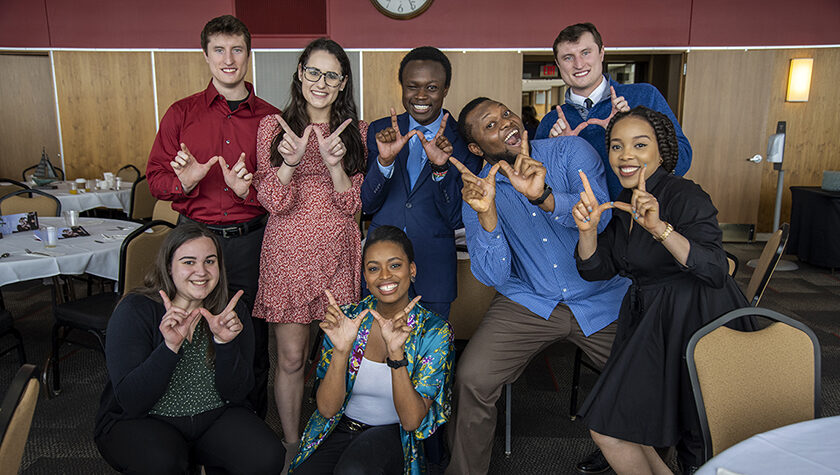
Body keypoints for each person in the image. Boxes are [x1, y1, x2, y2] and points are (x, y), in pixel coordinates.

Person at [444, 97, 628, 475]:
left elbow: (602, 221)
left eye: (505, 113)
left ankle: (648, 459)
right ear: (477, 148)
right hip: (529, 300)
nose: (507, 123)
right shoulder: (478, 192)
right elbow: (492, 277)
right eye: (491, 125)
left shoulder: (570, 151)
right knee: (472, 378)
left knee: (651, 372)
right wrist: (489, 215)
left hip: (601, 296)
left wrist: (542, 197)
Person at [572, 106, 748, 474]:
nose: (626, 155)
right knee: (621, 426)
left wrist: (660, 230)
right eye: (617, 146)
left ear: (661, 152)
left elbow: (716, 270)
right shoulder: (624, 202)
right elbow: (597, 268)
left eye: (639, 144)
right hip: (652, 320)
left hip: (697, 319)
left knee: (693, 434)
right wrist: (587, 231)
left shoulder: (685, 194)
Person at [145, 15, 278, 418]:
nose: (228, 59)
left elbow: (285, 193)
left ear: (248, 55)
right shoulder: (180, 114)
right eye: (219, 49)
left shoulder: (270, 119)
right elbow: (155, 179)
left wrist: (248, 191)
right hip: (192, 239)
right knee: (185, 331)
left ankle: (247, 425)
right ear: (205, 55)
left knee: (249, 339)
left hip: (248, 244)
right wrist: (182, 183)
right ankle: (190, 418)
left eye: (236, 49)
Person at [252, 38, 368, 458]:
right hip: (288, 252)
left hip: (338, 252)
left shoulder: (357, 130)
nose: (321, 82)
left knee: (338, 353)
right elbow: (271, 201)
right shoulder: (273, 126)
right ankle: (290, 442)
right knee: (291, 358)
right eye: (313, 72)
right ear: (300, 72)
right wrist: (291, 163)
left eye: (331, 75)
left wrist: (335, 165)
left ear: (342, 83)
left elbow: (353, 204)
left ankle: (328, 437)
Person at [94, 223, 285, 474]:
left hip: (213, 415)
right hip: (146, 419)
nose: (201, 271)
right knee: (163, 463)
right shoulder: (136, 310)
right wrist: (170, 347)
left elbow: (238, 393)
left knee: (266, 456)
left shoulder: (230, 311)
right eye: (188, 262)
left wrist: (224, 344)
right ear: (169, 266)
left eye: (209, 261)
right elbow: (132, 401)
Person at [290, 225, 452, 475]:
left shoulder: (433, 331)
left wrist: (396, 355)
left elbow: (411, 421)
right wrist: (341, 351)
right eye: (374, 268)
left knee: (353, 471)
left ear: (412, 270)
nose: (385, 276)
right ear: (365, 277)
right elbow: (326, 409)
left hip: (393, 433)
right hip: (339, 425)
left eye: (395, 265)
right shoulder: (349, 319)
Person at [361, 46, 482, 318]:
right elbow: (368, 203)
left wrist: (440, 168)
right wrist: (385, 163)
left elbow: (455, 218)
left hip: (433, 268)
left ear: (446, 88)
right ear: (402, 87)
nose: (420, 96)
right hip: (380, 268)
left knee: (430, 356)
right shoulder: (380, 130)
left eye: (431, 87)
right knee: (377, 351)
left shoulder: (464, 140)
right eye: (412, 86)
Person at [535, 22, 692, 199]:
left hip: (642, 219)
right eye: (568, 58)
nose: (579, 64)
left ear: (601, 53)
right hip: (583, 223)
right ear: (558, 63)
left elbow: (683, 158)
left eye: (586, 53)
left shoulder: (645, 96)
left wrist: (630, 130)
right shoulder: (551, 123)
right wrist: (559, 154)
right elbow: (542, 190)